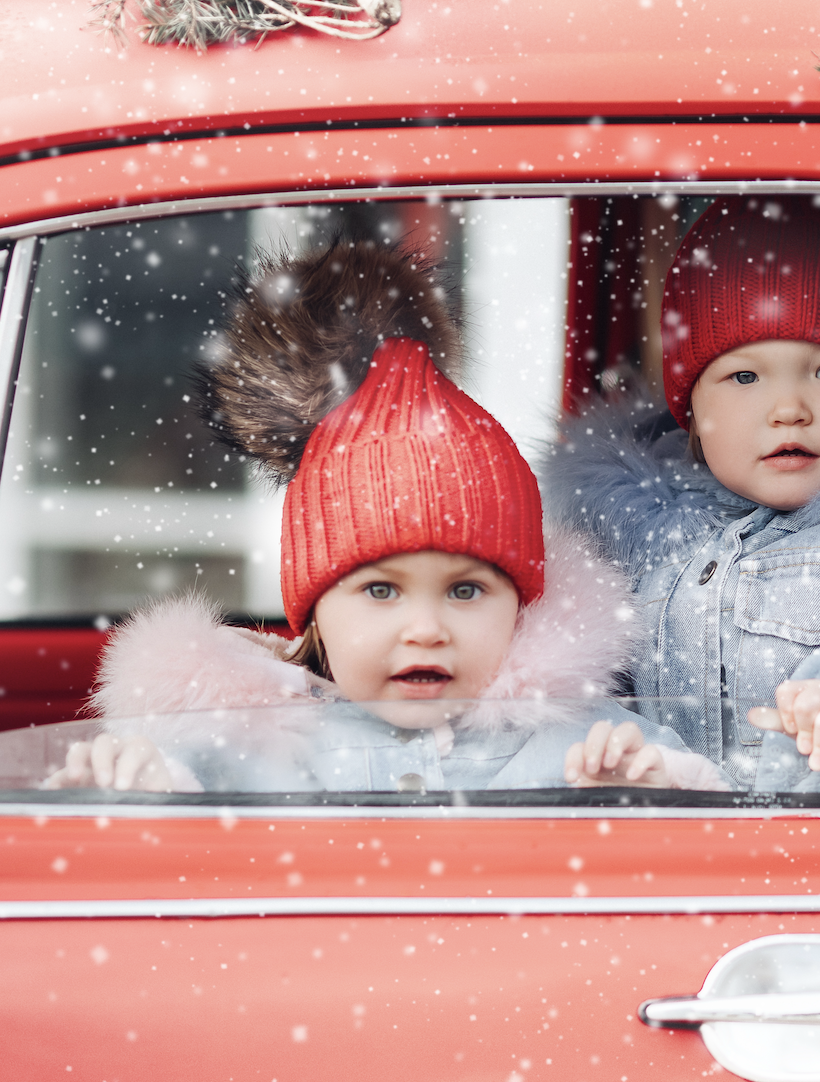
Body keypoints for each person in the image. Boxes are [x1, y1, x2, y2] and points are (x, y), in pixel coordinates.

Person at [48, 239, 723, 795]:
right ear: (312, 615)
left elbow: (713, 829)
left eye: (466, 590)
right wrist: (138, 791)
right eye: (379, 590)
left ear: (522, 607)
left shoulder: (580, 740)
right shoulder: (237, 744)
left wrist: (655, 791)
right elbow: (167, 869)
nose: (425, 630)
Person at [544, 195, 820, 792]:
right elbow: (574, 691)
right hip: (657, 857)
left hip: (819, 858)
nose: (788, 410)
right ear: (691, 413)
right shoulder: (626, 542)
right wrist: (610, 757)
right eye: (743, 376)